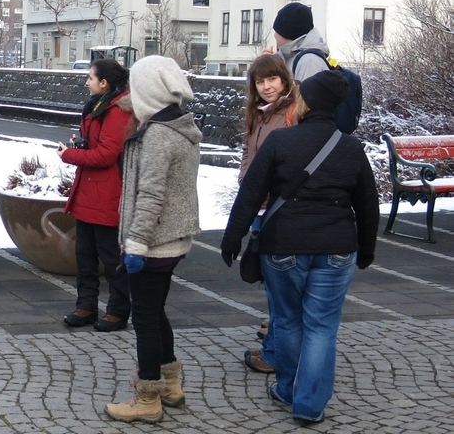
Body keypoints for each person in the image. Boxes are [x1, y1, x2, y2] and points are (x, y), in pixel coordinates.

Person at [220, 70, 379, 426]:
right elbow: (368, 205)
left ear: (308, 102)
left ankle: (288, 388)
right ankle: (309, 405)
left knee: (288, 320)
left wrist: (233, 239)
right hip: (337, 248)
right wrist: (366, 250)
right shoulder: (351, 148)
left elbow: (250, 194)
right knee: (322, 326)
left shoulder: (281, 141)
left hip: (284, 245)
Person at [105, 56, 201, 424]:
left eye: (135, 85)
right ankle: (171, 385)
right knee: (155, 310)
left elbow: (151, 195)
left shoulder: (159, 135)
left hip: (154, 242)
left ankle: (147, 399)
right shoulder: (174, 124)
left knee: (143, 318)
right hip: (170, 240)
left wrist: (136, 244)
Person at [58, 58, 135, 332]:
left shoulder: (117, 111)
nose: (86, 81)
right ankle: (86, 305)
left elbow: (106, 154)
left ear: (104, 83)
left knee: (111, 257)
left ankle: (118, 310)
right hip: (90, 190)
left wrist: (70, 154)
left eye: (90, 77)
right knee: (85, 255)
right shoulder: (100, 106)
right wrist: (80, 146)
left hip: (106, 193)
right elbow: (96, 145)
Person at [239, 54, 299, 375]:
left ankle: (276, 353)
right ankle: (276, 347)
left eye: (271, 79)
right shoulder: (258, 113)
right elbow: (249, 151)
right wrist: (245, 182)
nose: (266, 87)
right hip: (259, 205)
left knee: (281, 286)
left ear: (284, 79)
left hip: (280, 207)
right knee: (271, 282)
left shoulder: (292, 112)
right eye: (260, 82)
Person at [272, 2, 329, 81]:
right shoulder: (294, 57)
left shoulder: (308, 62)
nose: (274, 35)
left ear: (286, 33)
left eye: (276, 31)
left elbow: (306, 93)